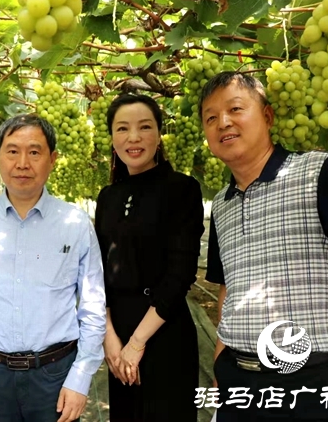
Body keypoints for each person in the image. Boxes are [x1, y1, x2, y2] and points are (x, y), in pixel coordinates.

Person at [200, 71, 328, 421]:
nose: (223, 122)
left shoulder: (320, 173)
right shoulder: (222, 205)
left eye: (235, 109)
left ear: (268, 116)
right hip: (237, 381)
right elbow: (229, 287)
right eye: (211, 118)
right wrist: (220, 365)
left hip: (312, 385)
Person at [0, 113, 107, 422]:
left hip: (56, 373)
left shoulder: (75, 224)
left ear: (52, 159)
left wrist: (81, 376)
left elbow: (93, 305)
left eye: (34, 152)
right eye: (12, 151)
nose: (22, 163)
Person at [94, 93, 205, 421]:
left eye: (144, 127)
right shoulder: (107, 197)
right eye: (122, 128)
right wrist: (110, 338)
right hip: (118, 336)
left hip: (163, 331)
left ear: (159, 135)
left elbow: (180, 274)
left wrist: (137, 342)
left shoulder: (182, 189)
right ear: (112, 138)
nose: (133, 137)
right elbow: (98, 272)